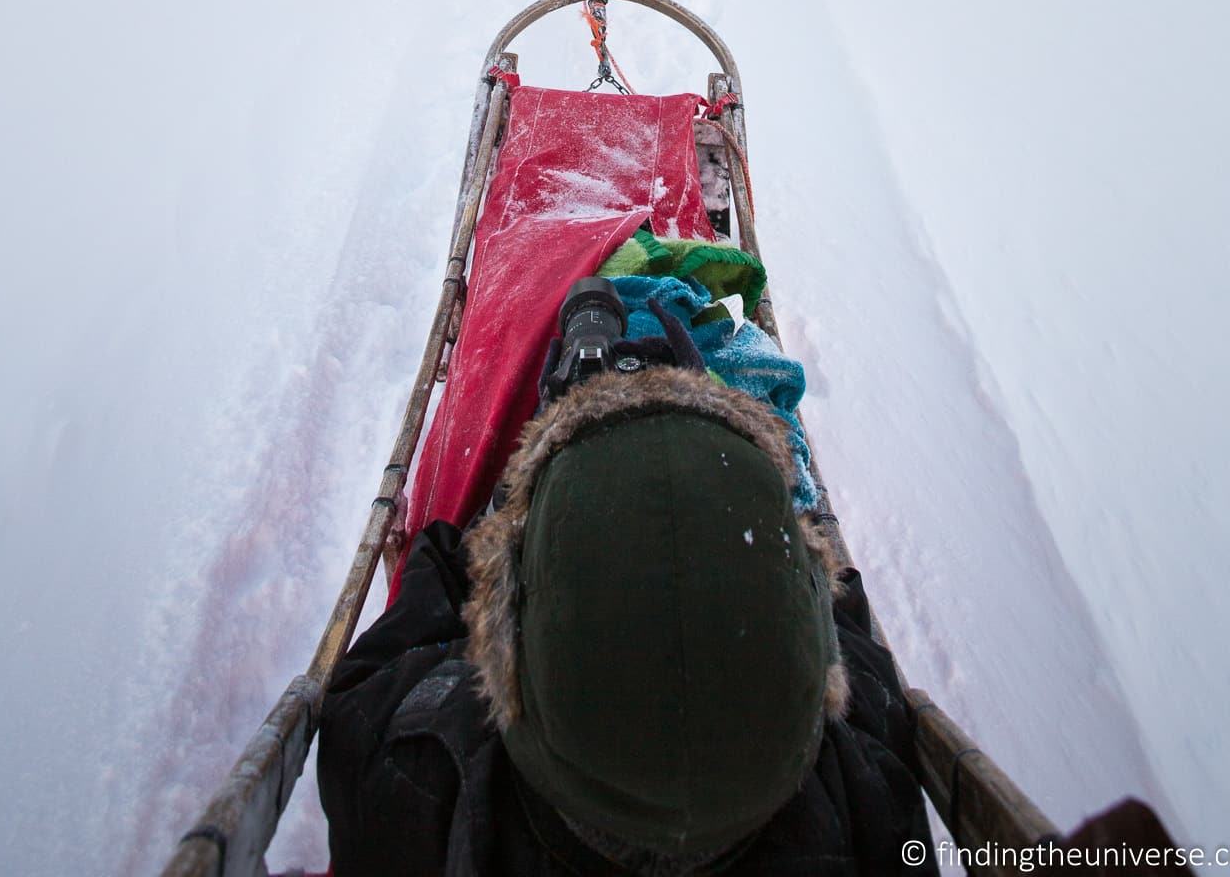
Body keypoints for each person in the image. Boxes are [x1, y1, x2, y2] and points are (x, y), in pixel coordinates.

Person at [317, 363, 937, 875]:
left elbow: (369, 687)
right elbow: (847, 632)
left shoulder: (429, 766)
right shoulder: (868, 796)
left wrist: (487, 540)